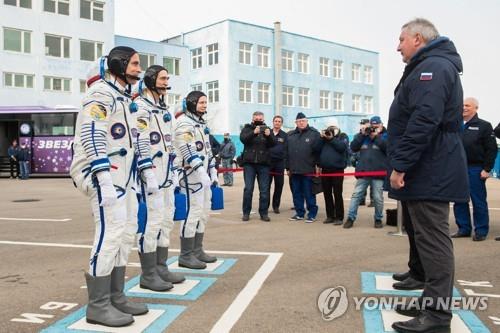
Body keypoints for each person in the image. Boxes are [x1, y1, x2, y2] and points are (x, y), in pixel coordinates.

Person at [387, 19, 469, 333]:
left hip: (429, 167)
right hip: (430, 165)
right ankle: (430, 302)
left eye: (401, 39)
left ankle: (436, 317)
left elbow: (424, 119)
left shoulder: (432, 68)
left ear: (418, 38)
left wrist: (401, 165)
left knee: (434, 243)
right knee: (426, 240)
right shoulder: (432, 65)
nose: (398, 46)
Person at [70, 46, 148, 327]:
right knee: (110, 232)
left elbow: (131, 140)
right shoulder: (101, 94)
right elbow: (92, 135)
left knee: (126, 233)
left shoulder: (123, 98)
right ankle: (98, 305)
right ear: (119, 64)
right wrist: (102, 180)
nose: (140, 69)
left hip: (122, 176)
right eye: (135, 64)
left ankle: (116, 295)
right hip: (103, 174)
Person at [134, 65, 185, 291]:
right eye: (163, 79)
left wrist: (175, 170)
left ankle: (161, 266)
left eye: (167, 79)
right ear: (151, 80)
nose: (166, 82)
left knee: (166, 219)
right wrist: (147, 172)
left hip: (166, 174)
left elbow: (173, 140)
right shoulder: (141, 108)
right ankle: (148, 273)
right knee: (152, 223)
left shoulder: (163, 109)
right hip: (151, 175)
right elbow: (140, 140)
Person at [173, 91, 217, 269]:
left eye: (206, 102)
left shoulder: (201, 123)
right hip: (190, 176)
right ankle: (186, 255)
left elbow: (207, 149)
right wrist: (200, 170)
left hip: (204, 176)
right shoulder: (184, 123)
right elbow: (187, 149)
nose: (204, 105)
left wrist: (212, 170)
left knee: (203, 212)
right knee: (192, 213)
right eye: (201, 102)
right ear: (191, 103)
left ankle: (197, 250)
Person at [451, 98, 497, 241]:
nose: (464, 107)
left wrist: (487, 168)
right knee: (459, 200)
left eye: (467, 105)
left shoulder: (484, 126)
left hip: (475, 169)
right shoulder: (454, 125)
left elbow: (491, 149)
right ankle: (463, 228)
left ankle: (481, 231)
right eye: (462, 105)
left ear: (476, 108)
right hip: (457, 169)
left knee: (478, 201)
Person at [343, 116, 388, 229]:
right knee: (356, 195)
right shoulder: (364, 136)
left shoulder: (386, 136)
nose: (373, 129)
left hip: (378, 173)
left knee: (377, 198)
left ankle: (378, 219)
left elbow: (388, 148)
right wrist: (362, 134)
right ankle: (350, 218)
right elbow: (353, 148)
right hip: (363, 172)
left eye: (376, 126)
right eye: (372, 127)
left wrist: (376, 136)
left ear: (381, 125)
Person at [240, 111, 275, 222]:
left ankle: (263, 213)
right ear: (253, 118)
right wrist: (253, 133)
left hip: (263, 164)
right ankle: (246, 212)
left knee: (264, 190)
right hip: (249, 164)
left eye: (261, 118)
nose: (259, 120)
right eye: (257, 118)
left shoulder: (267, 129)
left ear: (263, 119)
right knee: (248, 189)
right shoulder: (247, 128)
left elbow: (273, 144)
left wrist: (269, 136)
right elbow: (243, 139)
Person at [287, 112, 321, 223]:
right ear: (296, 123)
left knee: (309, 193)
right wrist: (288, 167)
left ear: (307, 121)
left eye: (303, 121)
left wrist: (318, 166)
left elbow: (318, 152)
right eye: (299, 121)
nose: (301, 123)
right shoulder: (290, 135)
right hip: (294, 170)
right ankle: (299, 213)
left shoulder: (314, 134)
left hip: (308, 170)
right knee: (296, 193)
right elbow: (286, 153)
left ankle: (312, 214)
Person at [316, 119, 349, 225]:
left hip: (337, 170)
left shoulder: (343, 136)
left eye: (333, 128)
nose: (330, 130)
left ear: (337, 128)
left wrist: (331, 139)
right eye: (329, 128)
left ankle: (339, 217)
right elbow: (315, 149)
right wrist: (322, 138)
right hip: (325, 170)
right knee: (327, 193)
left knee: (337, 193)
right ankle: (330, 215)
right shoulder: (323, 138)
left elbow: (342, 148)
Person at [268, 115, 288, 214]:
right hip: (268, 164)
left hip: (279, 164)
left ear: (281, 123)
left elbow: (286, 149)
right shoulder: (267, 133)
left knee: (279, 185)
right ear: (273, 122)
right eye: (276, 121)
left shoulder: (285, 135)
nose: (277, 123)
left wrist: (284, 162)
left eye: (279, 121)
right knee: (266, 186)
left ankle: (276, 206)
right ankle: (265, 206)